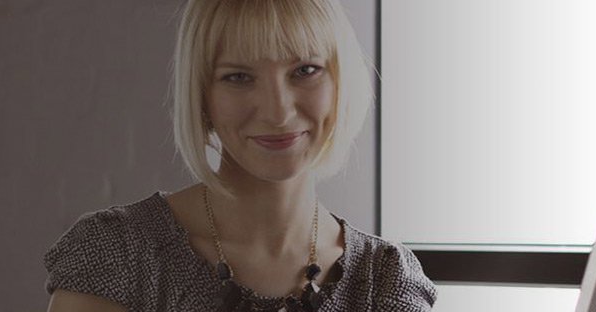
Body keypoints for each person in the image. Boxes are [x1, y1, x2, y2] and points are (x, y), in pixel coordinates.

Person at [45, 0, 435, 311]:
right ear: (202, 96)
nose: (278, 112)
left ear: (339, 82)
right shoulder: (119, 253)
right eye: (238, 77)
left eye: (305, 70)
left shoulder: (384, 278)